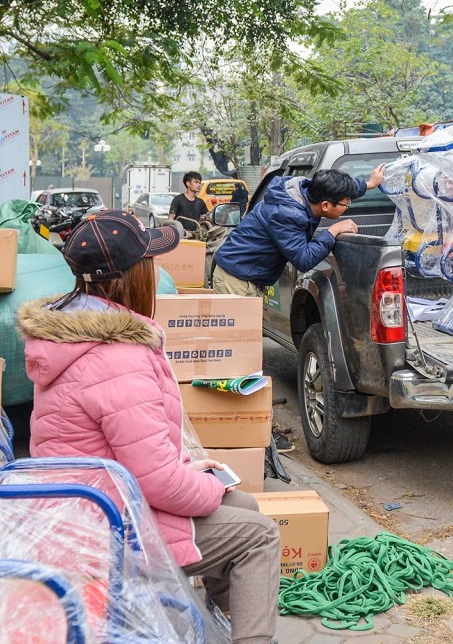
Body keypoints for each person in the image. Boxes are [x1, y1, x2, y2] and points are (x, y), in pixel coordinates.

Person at [17, 210, 280, 643]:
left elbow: (130, 454)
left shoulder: (72, 332)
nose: (156, 272)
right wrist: (205, 485)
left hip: (86, 505)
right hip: (108, 528)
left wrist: (191, 473)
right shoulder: (117, 357)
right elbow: (158, 482)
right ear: (130, 277)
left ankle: (217, 624)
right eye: (150, 262)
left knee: (245, 506)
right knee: (260, 536)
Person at [211, 166, 385, 297]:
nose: (348, 206)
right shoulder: (287, 214)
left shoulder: (305, 189)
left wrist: (369, 184)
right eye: (346, 203)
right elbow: (304, 259)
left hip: (245, 276)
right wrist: (333, 230)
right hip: (237, 280)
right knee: (242, 336)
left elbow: (340, 191)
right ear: (325, 205)